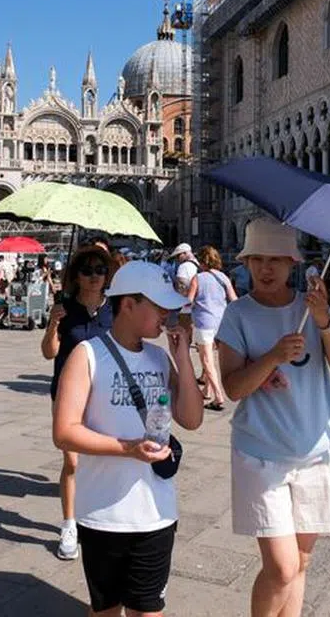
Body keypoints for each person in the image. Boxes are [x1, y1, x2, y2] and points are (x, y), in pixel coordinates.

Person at [216, 218, 330, 617]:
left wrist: (325, 322)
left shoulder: (310, 309)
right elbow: (233, 387)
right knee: (281, 567)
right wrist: (273, 356)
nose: (266, 268)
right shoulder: (237, 315)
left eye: (276, 259)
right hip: (262, 453)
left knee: (302, 564)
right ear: (245, 262)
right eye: (257, 258)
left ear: (292, 263)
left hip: (314, 450)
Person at [52, 260, 204, 617]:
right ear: (129, 304)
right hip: (103, 513)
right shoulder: (87, 354)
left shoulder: (160, 357)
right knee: (106, 610)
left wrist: (182, 356)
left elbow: (192, 419)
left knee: (148, 611)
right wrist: (128, 449)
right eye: (158, 305)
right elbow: (64, 431)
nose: (167, 313)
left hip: (156, 511)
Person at [40, 244, 115, 562]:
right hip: (68, 394)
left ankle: (100, 520)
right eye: (87, 270)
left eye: (100, 269)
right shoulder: (64, 306)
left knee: (102, 461)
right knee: (72, 462)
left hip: (104, 394)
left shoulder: (115, 308)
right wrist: (53, 324)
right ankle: (69, 523)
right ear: (77, 276)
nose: (94, 275)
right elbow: (48, 352)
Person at [187, 245, 238, 411]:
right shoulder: (223, 277)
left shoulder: (198, 278)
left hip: (204, 323)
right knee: (211, 359)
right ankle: (207, 390)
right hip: (221, 323)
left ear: (201, 261)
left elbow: (188, 300)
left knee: (207, 361)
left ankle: (218, 396)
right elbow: (234, 299)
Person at [170, 243, 199, 337]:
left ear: (185, 254)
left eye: (178, 255)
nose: (177, 259)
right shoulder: (198, 264)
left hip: (187, 306)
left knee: (184, 336)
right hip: (199, 304)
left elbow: (181, 286)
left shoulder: (183, 267)